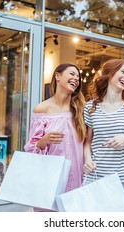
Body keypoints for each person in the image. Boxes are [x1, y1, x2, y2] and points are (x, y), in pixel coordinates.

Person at [83, 59, 124, 211]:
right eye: (123, 72)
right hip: (96, 175)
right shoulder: (90, 107)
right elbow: (87, 143)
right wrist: (88, 160)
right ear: (110, 74)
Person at [24, 63, 86, 211]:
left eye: (78, 77)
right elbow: (32, 148)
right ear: (58, 76)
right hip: (51, 177)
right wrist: (44, 140)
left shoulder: (81, 109)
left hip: (77, 177)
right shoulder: (42, 109)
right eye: (72, 74)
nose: (76, 79)